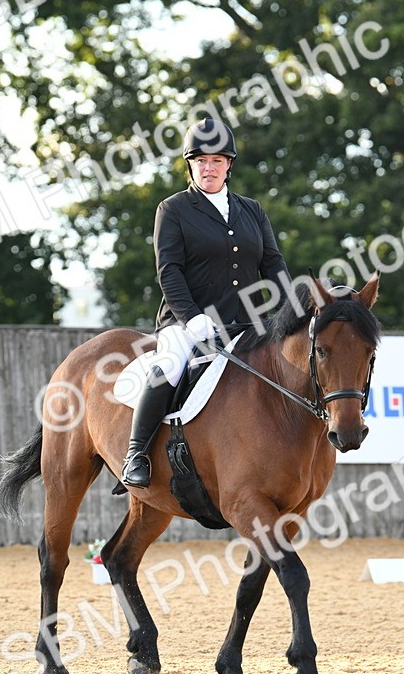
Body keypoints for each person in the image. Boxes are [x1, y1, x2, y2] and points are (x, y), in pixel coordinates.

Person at [121, 117, 292, 488]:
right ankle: (136, 453)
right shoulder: (173, 209)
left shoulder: (252, 211)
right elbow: (169, 272)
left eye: (217, 160)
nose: (209, 167)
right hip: (186, 321)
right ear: (190, 165)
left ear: (229, 165)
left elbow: (273, 263)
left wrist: (291, 307)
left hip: (248, 322)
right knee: (168, 364)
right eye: (201, 161)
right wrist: (193, 319)